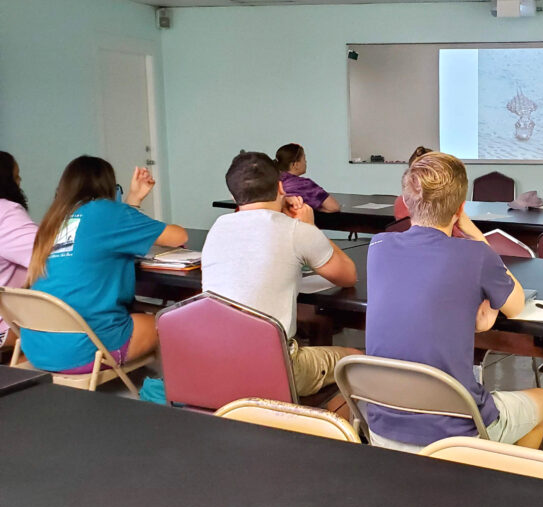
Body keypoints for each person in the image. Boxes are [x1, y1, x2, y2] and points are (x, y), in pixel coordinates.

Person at [365, 151, 543, 452]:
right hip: (452, 433)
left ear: (407, 200)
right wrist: (475, 232)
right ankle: (503, 478)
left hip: (381, 426)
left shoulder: (378, 246)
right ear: (460, 207)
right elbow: (516, 306)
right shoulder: (476, 255)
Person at [202, 152, 360, 396]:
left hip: (214, 363)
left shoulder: (217, 228)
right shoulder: (295, 231)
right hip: (275, 368)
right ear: (280, 187)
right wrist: (309, 227)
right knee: (356, 359)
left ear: (234, 196)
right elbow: (348, 275)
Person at [19, 156, 187, 373]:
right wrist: (129, 204)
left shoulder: (53, 221)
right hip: (80, 351)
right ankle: (166, 392)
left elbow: (107, 235)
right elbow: (178, 236)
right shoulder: (106, 211)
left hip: (37, 347)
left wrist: (134, 200)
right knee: (165, 320)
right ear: (107, 186)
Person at [0, 152, 37, 349]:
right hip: (6, 327)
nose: (20, 181)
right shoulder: (6, 213)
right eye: (16, 176)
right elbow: (47, 254)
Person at [274, 143, 341, 213]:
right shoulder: (304, 184)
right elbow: (334, 207)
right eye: (304, 159)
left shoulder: (271, 180)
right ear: (295, 165)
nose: (306, 162)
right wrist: (312, 210)